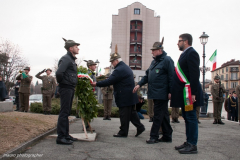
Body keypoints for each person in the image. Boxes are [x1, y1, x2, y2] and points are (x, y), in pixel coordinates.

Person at [91, 45, 145, 138]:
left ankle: (123, 132)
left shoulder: (119, 69)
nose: (112, 64)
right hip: (130, 95)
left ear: (117, 60)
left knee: (124, 114)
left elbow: (109, 81)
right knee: (132, 113)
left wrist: (96, 84)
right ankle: (140, 127)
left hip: (124, 96)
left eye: (112, 62)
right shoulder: (125, 67)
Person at [133, 38, 174, 144]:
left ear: (159, 51)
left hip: (162, 93)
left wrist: (171, 91)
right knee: (163, 115)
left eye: (153, 50)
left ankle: (154, 136)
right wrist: (139, 84)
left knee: (157, 115)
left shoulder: (167, 60)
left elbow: (171, 77)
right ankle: (167, 135)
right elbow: (147, 75)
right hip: (155, 93)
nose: (152, 52)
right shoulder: (154, 62)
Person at [171, 33, 203, 154]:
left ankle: (192, 144)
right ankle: (188, 141)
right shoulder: (185, 54)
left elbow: (195, 74)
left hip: (189, 94)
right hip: (185, 93)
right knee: (186, 117)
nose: (177, 43)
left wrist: (193, 93)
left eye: (179, 41)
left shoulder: (192, 53)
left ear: (185, 41)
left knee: (191, 117)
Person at [55, 38, 80, 145]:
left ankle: (66, 135)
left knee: (67, 112)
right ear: (71, 48)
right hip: (66, 88)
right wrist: (64, 84)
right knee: (64, 112)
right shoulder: (66, 59)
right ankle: (61, 137)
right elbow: (59, 73)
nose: (78, 48)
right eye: (76, 47)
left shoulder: (71, 59)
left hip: (69, 88)